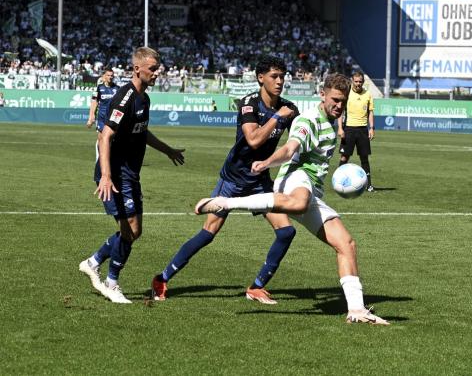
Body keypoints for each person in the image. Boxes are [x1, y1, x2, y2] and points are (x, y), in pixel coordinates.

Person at [195, 73, 389, 325]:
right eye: (334, 100)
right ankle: (228, 202)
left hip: (311, 191)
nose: (339, 106)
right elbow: (289, 149)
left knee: (346, 244)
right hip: (295, 180)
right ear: (322, 94)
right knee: (298, 203)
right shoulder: (308, 121)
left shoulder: (333, 121)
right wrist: (266, 162)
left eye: (343, 101)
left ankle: (357, 310)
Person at [151, 55, 299, 304]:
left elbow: (299, 137)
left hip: (260, 181)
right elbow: (252, 140)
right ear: (260, 78)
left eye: (283, 76)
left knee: (286, 231)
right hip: (232, 179)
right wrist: (277, 117)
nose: (280, 81)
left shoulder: (288, 108)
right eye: (274, 76)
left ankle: (256, 287)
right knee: (209, 233)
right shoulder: (248, 103)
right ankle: (162, 278)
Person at [79, 47, 185, 303]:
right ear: (137, 69)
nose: (157, 74)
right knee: (131, 229)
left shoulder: (144, 99)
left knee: (134, 232)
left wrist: (167, 150)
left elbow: (142, 132)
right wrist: (105, 175)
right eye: (152, 69)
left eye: (158, 69)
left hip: (130, 174)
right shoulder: (124, 98)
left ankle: (93, 262)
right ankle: (111, 283)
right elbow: (105, 136)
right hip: (116, 175)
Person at [337, 71, 375, 191]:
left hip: (363, 130)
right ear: (352, 81)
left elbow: (370, 112)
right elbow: (340, 112)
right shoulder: (347, 94)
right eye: (356, 81)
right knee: (344, 157)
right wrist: (340, 128)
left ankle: (369, 185)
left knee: (364, 158)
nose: (358, 84)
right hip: (349, 129)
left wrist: (372, 128)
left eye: (360, 81)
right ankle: (338, 182)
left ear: (363, 82)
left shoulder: (367, 94)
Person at [86, 69, 119, 179]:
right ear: (104, 76)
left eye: (112, 75)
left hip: (113, 119)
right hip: (101, 119)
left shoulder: (117, 89)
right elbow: (94, 102)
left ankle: (108, 161)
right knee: (102, 138)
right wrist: (91, 116)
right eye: (108, 75)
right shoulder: (99, 88)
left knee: (110, 140)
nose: (110, 77)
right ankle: (99, 161)